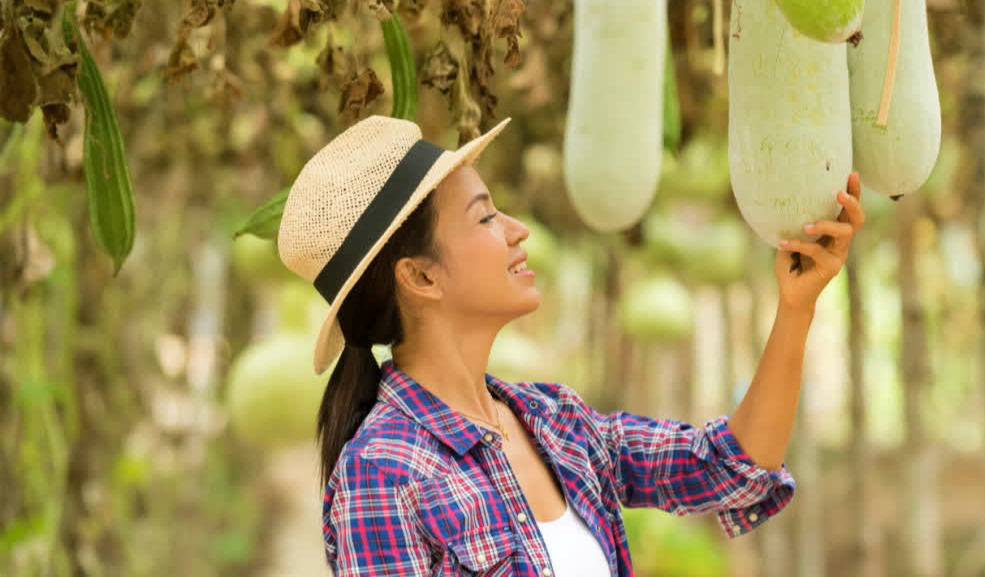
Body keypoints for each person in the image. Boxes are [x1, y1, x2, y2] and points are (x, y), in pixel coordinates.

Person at [276, 115, 865, 576]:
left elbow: (730, 465)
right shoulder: (382, 474)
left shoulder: (557, 422)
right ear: (420, 277)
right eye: (484, 218)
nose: (517, 230)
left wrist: (797, 308)